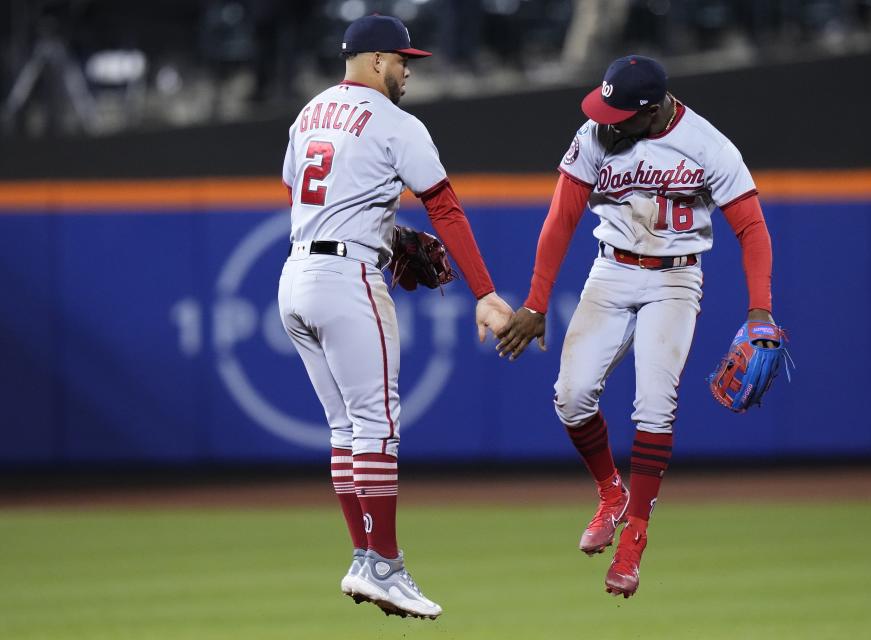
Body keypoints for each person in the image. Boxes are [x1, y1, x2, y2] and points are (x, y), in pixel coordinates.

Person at [495, 55, 775, 598]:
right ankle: (609, 491)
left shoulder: (710, 146)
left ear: (653, 110)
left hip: (675, 279)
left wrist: (759, 309)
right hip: (612, 270)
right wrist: (534, 302)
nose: (607, 119)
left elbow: (752, 228)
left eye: (620, 112)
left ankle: (636, 538)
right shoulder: (596, 136)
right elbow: (561, 218)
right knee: (571, 397)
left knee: (654, 404)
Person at [278, 15, 512, 619]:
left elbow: (305, 195)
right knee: (378, 424)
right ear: (377, 60)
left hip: (296, 275)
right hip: (348, 280)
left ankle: (364, 558)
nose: (409, 70)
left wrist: (381, 231)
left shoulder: (308, 114)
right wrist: (483, 291)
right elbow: (447, 209)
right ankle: (384, 564)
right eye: (404, 60)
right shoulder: (395, 121)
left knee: (344, 430)